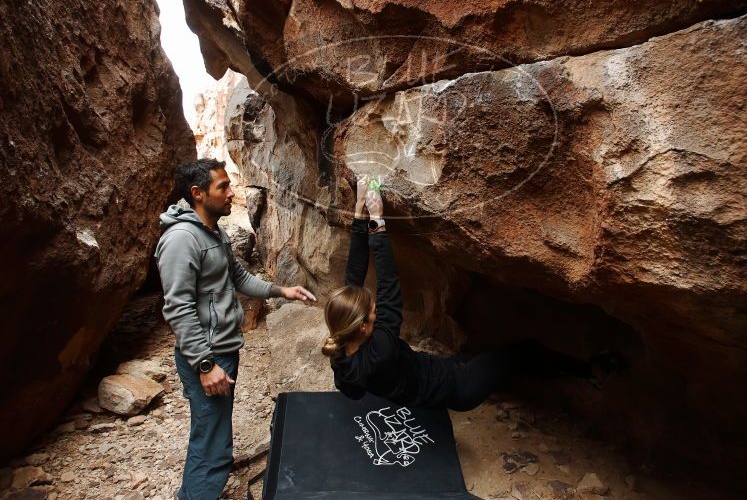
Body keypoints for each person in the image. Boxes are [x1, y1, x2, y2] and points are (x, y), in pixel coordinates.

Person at [322, 175, 624, 411]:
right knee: (523, 351)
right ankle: (591, 372)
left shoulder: (342, 354)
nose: (375, 306)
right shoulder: (382, 349)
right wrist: (379, 223)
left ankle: (529, 374)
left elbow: (354, 275)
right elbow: (389, 286)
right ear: (363, 326)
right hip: (457, 388)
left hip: (433, 373)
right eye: (372, 311)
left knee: (487, 357)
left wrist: (360, 212)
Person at [155, 158, 316, 500]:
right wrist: (205, 365)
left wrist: (280, 290)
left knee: (213, 431)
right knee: (211, 439)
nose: (231, 193)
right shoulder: (181, 240)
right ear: (197, 194)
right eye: (223, 187)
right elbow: (178, 308)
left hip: (223, 348)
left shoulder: (214, 230)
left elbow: (238, 276)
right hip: (208, 355)